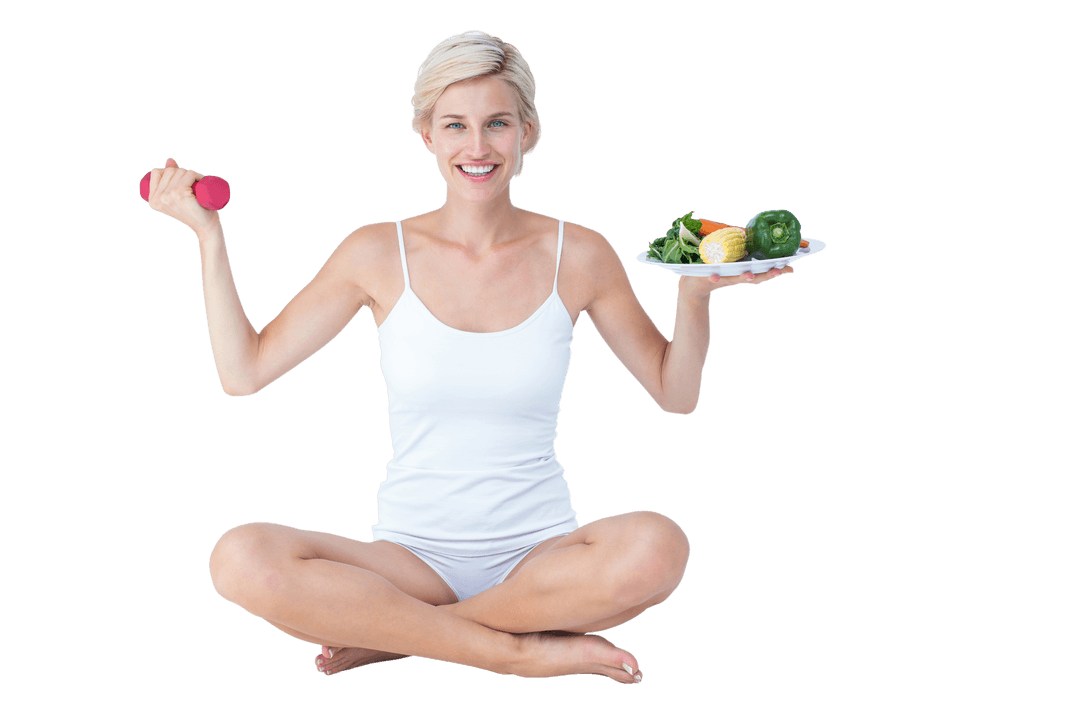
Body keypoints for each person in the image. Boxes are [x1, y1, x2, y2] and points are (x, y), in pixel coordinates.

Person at [145, 30, 792, 684]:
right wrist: (208, 237)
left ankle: (400, 635)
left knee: (659, 548)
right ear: (426, 133)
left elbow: (674, 394)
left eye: (497, 124)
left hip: (543, 562)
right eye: (455, 124)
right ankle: (512, 650)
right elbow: (243, 373)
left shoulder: (582, 253)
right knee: (239, 558)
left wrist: (695, 298)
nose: (477, 147)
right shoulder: (375, 251)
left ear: (528, 134)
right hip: (408, 563)